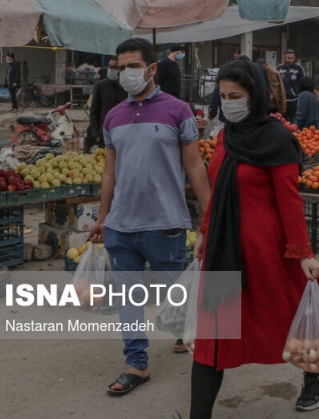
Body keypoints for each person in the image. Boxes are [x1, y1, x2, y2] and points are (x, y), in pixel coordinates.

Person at [190, 60, 319, 416]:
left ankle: (315, 379)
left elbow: (290, 202)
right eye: (222, 96)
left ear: (255, 96)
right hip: (225, 249)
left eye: (234, 96)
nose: (227, 103)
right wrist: (206, 232)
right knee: (214, 335)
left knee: (290, 318)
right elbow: (219, 190)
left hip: (271, 252)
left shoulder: (277, 139)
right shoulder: (226, 136)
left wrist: (303, 254)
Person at [88, 37, 211, 396]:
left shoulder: (178, 110)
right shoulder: (114, 116)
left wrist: (210, 217)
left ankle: (189, 335)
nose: (126, 73)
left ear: (151, 68)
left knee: (179, 294)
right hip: (121, 227)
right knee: (129, 298)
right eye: (120, 67)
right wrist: (102, 216)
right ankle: (136, 365)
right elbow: (109, 173)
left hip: (165, 223)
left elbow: (194, 166)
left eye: (133, 66)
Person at [85, 57, 127, 151]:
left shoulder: (128, 87)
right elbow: (94, 111)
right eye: (110, 67)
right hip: (104, 133)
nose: (112, 70)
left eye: (115, 67)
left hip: (124, 133)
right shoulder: (101, 86)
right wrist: (97, 134)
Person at [277, 50, 305, 121]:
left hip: (295, 100)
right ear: (284, 58)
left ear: (294, 58)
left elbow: (303, 83)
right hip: (282, 101)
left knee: (294, 122)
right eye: (288, 58)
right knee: (282, 121)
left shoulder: (299, 68)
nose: (290, 60)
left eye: (292, 58)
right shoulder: (279, 68)